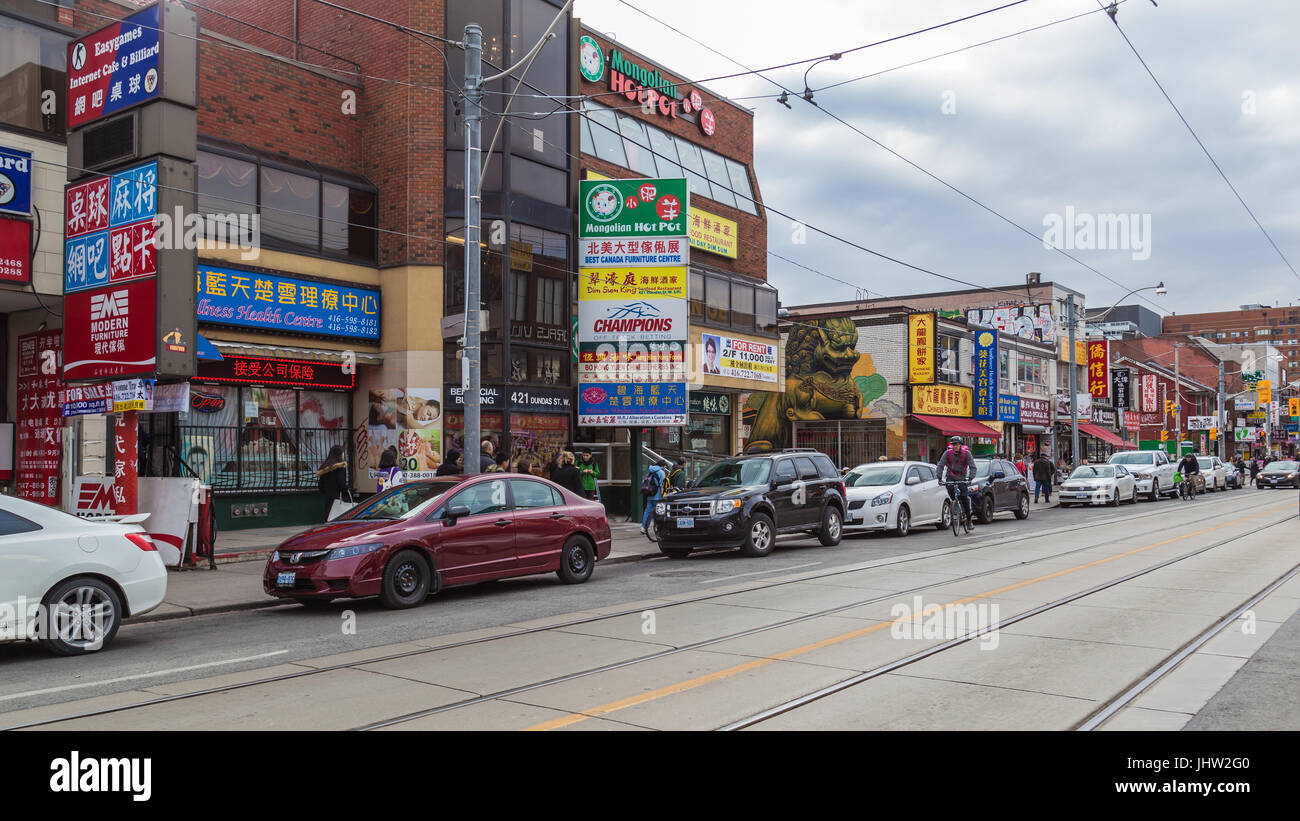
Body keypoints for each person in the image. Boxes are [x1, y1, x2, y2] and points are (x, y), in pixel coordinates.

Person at [936, 436, 977, 528]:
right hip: (950, 475)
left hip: (962, 477)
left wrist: (970, 478)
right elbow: (940, 465)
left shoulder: (967, 454)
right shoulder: (947, 453)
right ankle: (954, 505)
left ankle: (969, 519)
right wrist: (939, 477)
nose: (955, 446)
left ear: (960, 445)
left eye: (957, 444)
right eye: (953, 444)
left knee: (964, 496)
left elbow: (973, 467)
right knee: (950, 489)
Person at [316, 445, 349, 520]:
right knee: (338, 516)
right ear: (339, 454)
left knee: (329, 515)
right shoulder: (340, 466)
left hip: (328, 497)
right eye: (343, 453)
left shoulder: (325, 466)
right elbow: (341, 482)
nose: (344, 455)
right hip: (338, 496)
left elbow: (321, 485)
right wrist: (346, 490)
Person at [640, 461, 669, 536]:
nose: (665, 468)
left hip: (650, 495)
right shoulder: (661, 472)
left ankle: (643, 527)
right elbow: (662, 485)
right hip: (658, 495)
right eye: (665, 466)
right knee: (659, 512)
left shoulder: (650, 471)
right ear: (662, 466)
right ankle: (658, 528)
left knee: (648, 512)